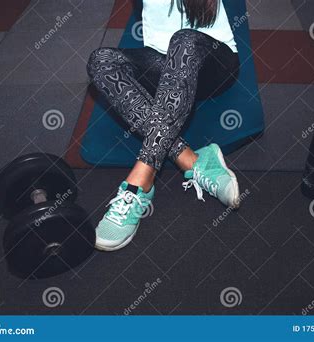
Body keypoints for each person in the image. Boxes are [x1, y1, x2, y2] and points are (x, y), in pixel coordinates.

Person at [87, 0, 241, 251]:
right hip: (164, 68)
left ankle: (139, 182)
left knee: (184, 39)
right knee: (101, 60)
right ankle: (189, 158)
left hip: (213, 61)